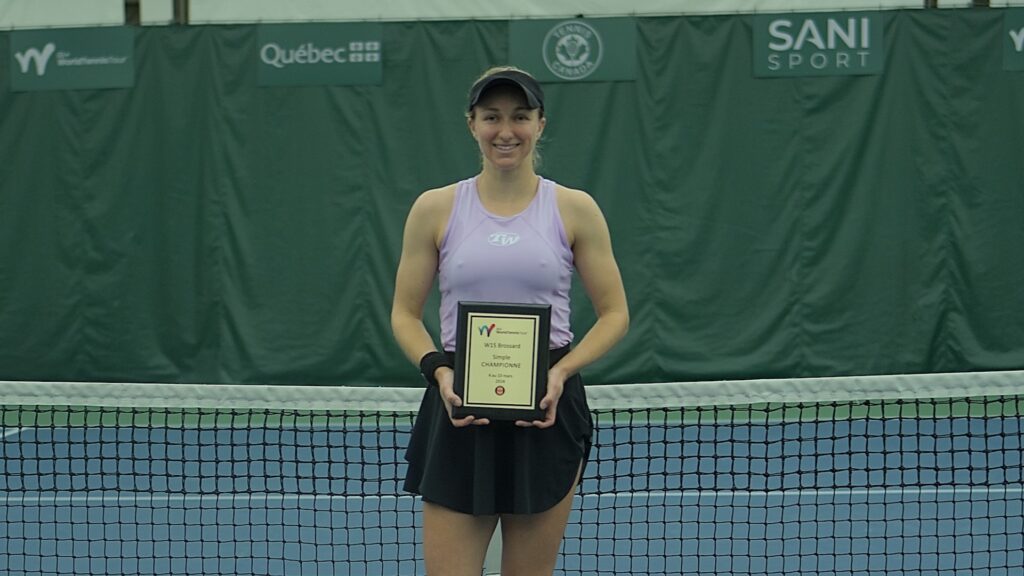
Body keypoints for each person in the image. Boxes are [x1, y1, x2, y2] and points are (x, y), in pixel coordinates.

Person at [391, 65, 629, 576]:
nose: (506, 130)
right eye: (491, 116)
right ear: (471, 123)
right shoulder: (434, 208)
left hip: (548, 408)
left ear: (540, 123)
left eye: (520, 116)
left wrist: (561, 373)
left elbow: (615, 314)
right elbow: (404, 315)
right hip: (457, 407)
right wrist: (440, 371)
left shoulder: (574, 208)